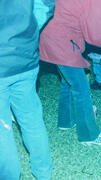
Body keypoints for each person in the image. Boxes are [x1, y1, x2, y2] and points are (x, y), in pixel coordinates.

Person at [39, 0, 101, 146]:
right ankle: (89, 135)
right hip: (64, 42)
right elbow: (97, 36)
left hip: (50, 35)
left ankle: (66, 121)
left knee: (68, 81)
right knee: (81, 88)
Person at [0, 0, 54, 179]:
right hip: (25, 59)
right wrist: (27, 31)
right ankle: (44, 173)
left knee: (2, 130)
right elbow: (46, 4)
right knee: (32, 121)